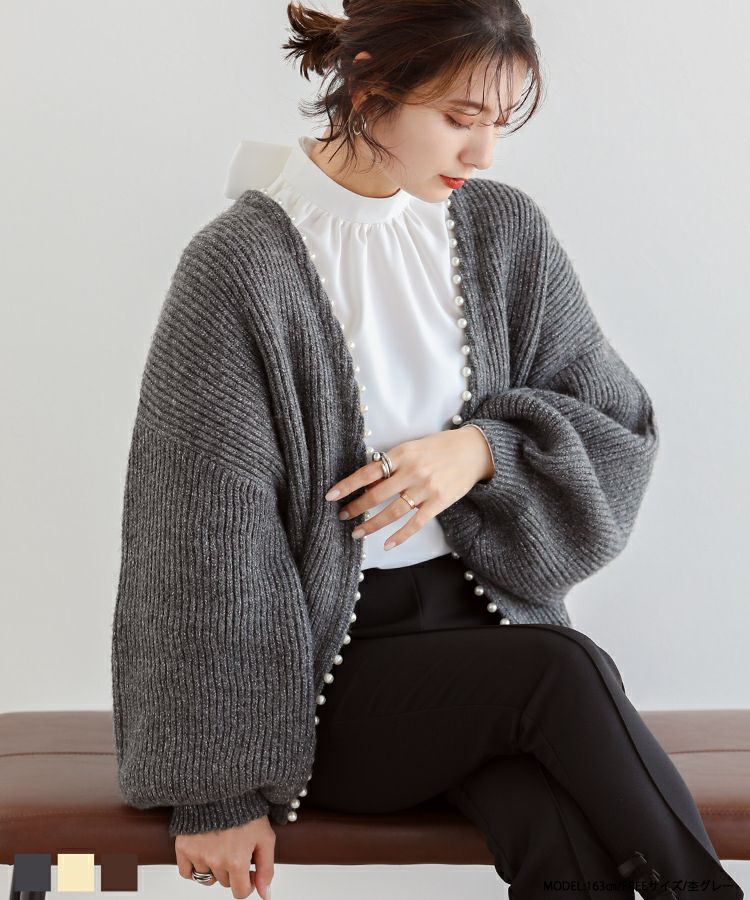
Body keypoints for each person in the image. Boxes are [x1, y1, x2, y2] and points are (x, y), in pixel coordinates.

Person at [110, 2, 744, 899]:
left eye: (500, 122)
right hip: (325, 682)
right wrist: (217, 791)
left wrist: (482, 451)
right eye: (459, 117)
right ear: (370, 86)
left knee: (560, 843)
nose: (483, 153)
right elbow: (197, 544)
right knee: (561, 671)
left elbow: (617, 419)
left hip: (485, 641)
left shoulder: (500, 230)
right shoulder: (240, 268)